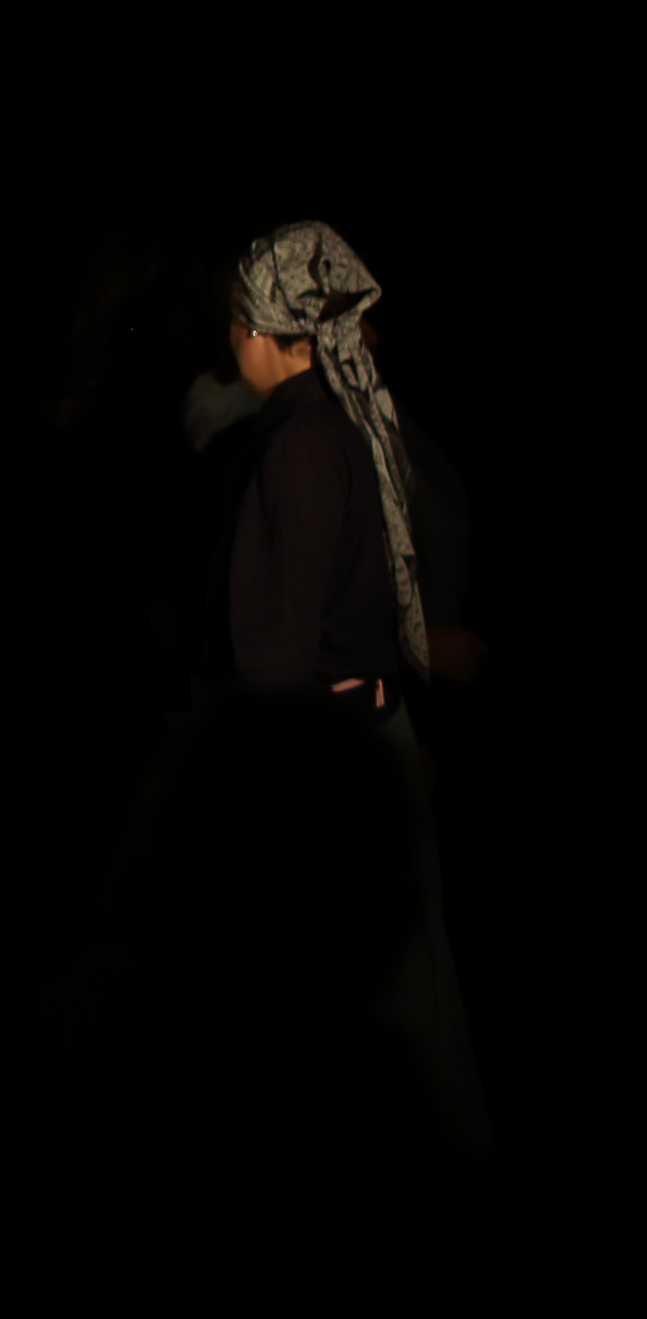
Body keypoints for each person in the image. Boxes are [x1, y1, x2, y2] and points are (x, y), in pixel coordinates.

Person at [219, 221, 492, 1155]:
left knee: (367, 996)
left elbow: (286, 633)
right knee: (401, 985)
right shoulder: (336, 424)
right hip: (354, 736)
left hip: (329, 748)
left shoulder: (307, 438)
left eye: (238, 321)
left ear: (266, 331)